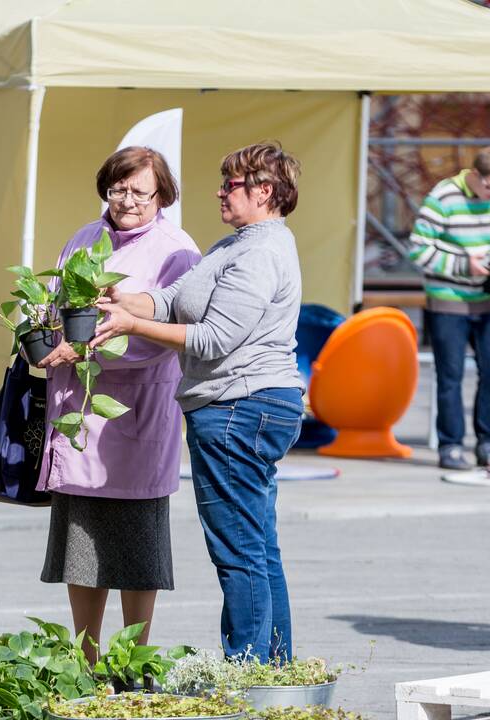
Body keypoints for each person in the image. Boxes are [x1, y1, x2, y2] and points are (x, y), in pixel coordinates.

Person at [92, 142, 305, 662]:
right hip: (244, 405)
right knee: (257, 545)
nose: (220, 191)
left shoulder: (259, 252)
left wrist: (131, 325)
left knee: (238, 551)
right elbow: (169, 299)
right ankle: (273, 669)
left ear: (265, 191)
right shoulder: (236, 245)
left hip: (239, 406)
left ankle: (248, 670)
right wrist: (120, 299)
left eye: (231, 183)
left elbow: (212, 339)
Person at [35, 146, 201, 664]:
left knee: (136, 550)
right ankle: (85, 658)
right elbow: (54, 303)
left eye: (139, 191)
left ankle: (134, 661)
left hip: (135, 414)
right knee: (80, 549)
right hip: (78, 412)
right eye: (118, 188)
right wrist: (36, 333)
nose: (126, 200)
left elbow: (165, 336)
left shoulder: (178, 251)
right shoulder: (86, 237)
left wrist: (84, 346)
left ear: (162, 195)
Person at [407, 146, 490, 470]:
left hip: (487, 298)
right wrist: (463, 264)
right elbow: (417, 250)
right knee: (450, 376)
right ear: (476, 176)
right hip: (448, 299)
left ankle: (488, 442)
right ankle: (451, 445)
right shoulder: (443, 197)